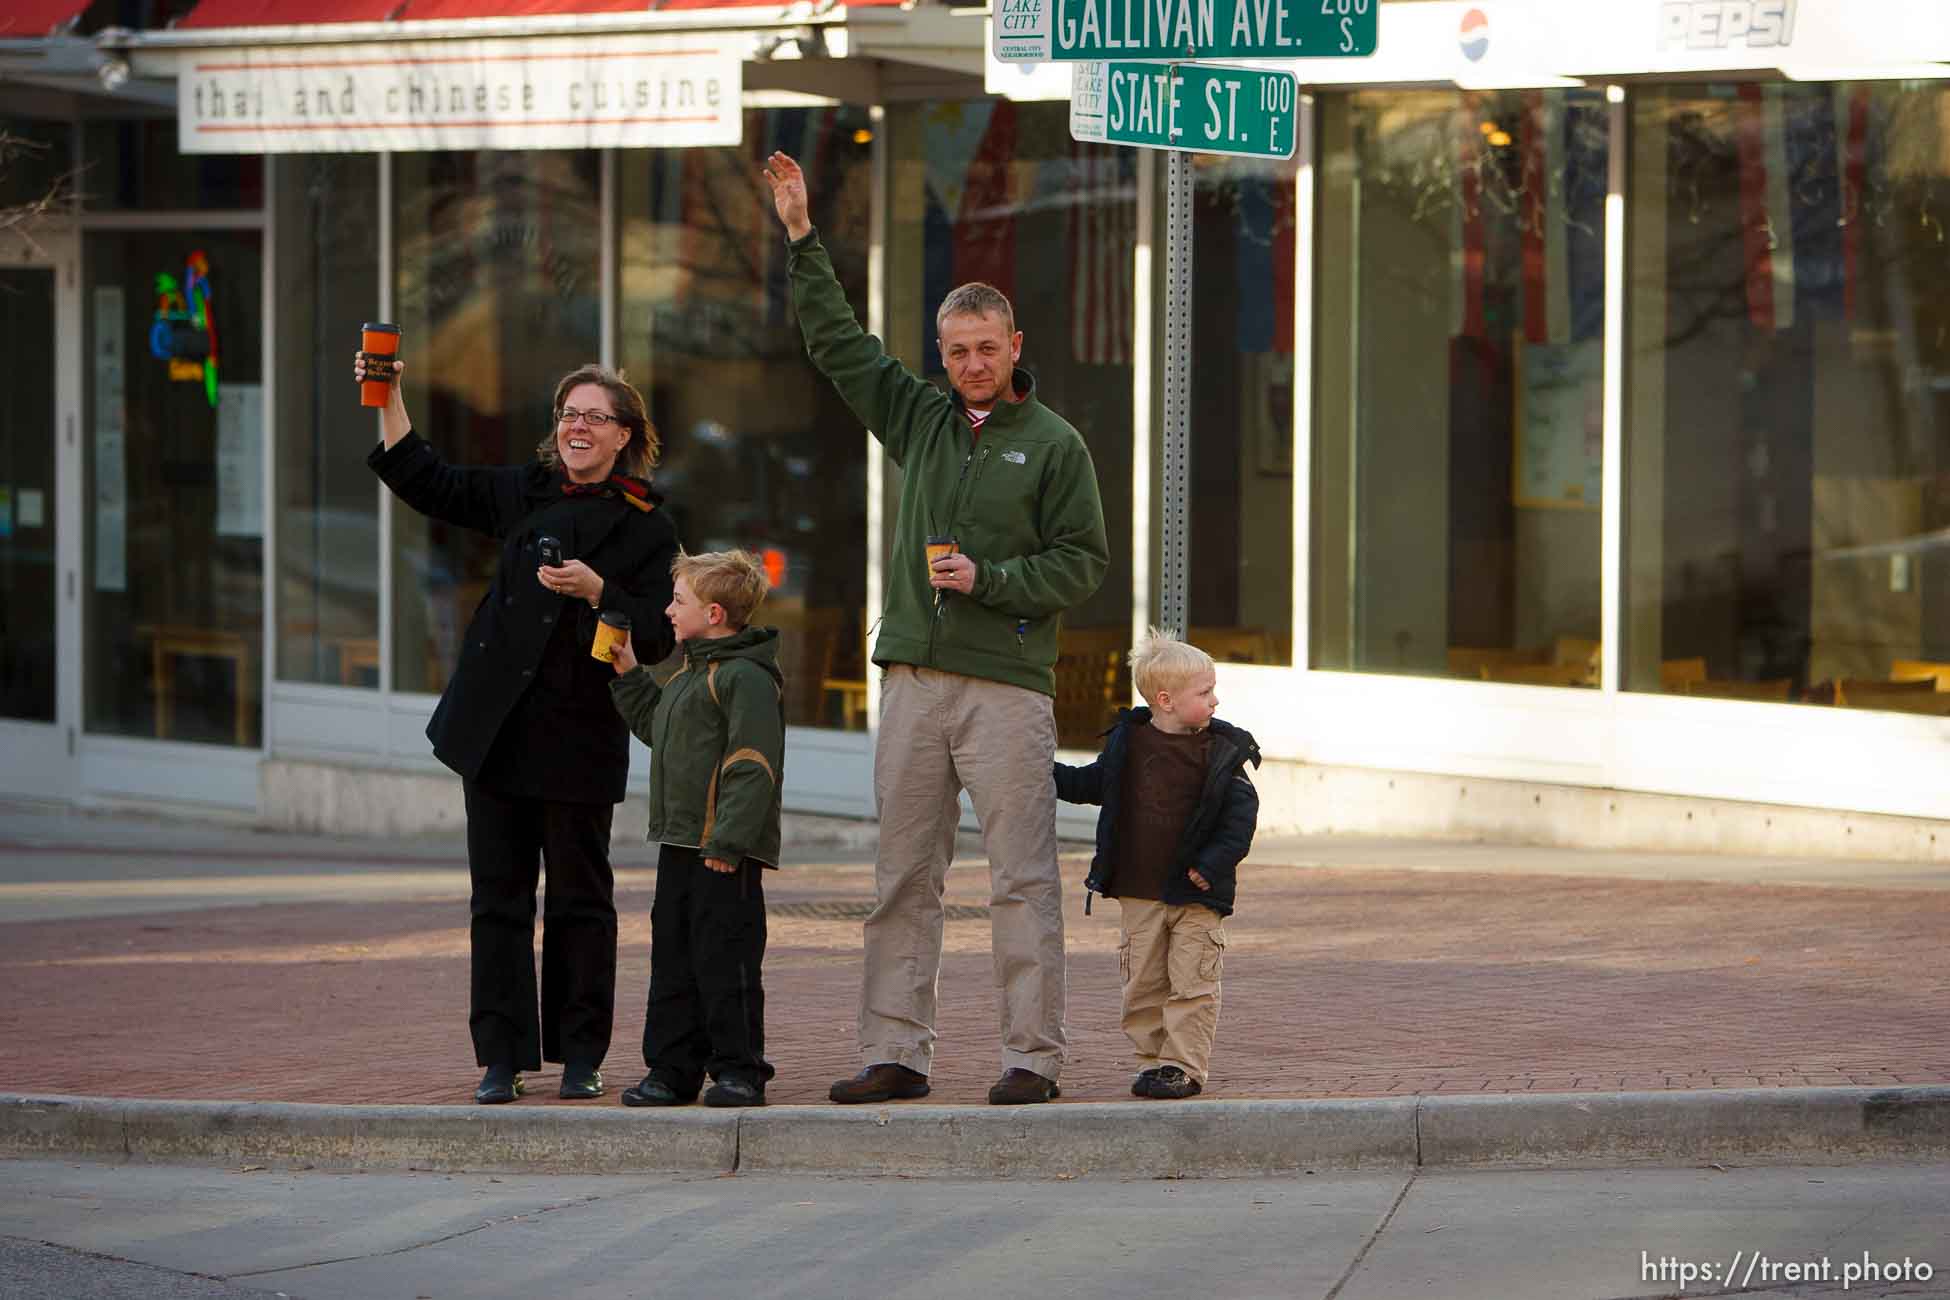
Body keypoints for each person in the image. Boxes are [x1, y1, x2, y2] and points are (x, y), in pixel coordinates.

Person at [761, 151, 1111, 1106]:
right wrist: (802, 234)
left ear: (1014, 344)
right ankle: (894, 1053)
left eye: (985, 348)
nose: (970, 364)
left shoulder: (1055, 444)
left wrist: (990, 577)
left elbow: (1085, 562)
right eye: (955, 350)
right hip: (914, 680)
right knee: (902, 878)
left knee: (1020, 882)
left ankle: (1031, 1057)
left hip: (1006, 689)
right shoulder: (917, 416)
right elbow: (839, 345)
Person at [356, 349, 679, 1105]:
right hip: (496, 729)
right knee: (498, 899)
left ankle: (579, 1056)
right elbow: (425, 478)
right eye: (569, 414)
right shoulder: (525, 491)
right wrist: (389, 393)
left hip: (580, 735)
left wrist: (601, 590)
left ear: (625, 434)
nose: (578, 427)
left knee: (581, 901)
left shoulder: (647, 526)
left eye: (595, 417)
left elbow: (661, 634)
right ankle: (500, 1058)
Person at [607, 550, 784, 1109]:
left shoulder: (745, 678)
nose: (667, 609)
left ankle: (739, 1070)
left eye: (678, 601)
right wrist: (630, 675)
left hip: (721, 849)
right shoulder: (691, 672)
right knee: (674, 959)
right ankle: (672, 1069)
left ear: (713, 614)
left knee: (724, 958)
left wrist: (728, 841)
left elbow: (752, 764)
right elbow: (663, 733)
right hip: (681, 843)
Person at [1052, 631, 1261, 1100]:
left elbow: (1240, 818)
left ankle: (1183, 1065)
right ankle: (1152, 1063)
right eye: (1204, 692)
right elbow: (1093, 784)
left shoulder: (1222, 753)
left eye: (1213, 690)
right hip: (1139, 891)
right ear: (1165, 700)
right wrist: (1046, 774)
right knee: (1143, 985)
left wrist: (1212, 864)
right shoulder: (1130, 745)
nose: (1215, 700)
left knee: (1193, 982)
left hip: (1197, 894)